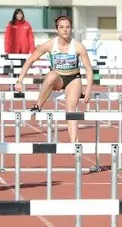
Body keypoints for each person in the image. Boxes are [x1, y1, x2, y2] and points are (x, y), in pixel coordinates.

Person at [14, 15, 93, 143]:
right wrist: (19, 80)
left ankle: (74, 143)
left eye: (68, 27)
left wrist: (88, 89)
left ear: (71, 29)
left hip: (73, 79)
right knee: (51, 75)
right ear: (57, 30)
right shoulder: (50, 45)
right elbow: (30, 60)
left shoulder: (78, 47)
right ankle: (38, 105)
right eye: (62, 27)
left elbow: (89, 69)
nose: (65, 30)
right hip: (58, 78)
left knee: (71, 109)